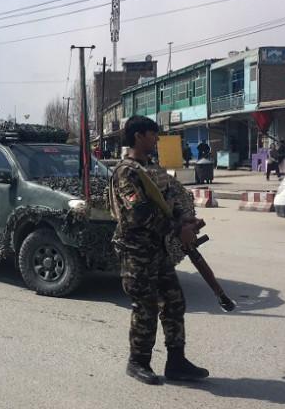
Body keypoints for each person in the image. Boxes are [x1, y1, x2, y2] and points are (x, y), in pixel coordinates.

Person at [109, 115, 209, 385]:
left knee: (175, 302)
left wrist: (185, 220)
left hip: (158, 250)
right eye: (153, 135)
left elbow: (168, 200)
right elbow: (140, 213)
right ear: (139, 136)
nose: (156, 140)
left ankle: (176, 362)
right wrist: (178, 230)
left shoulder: (151, 167)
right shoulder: (126, 172)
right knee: (146, 307)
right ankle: (138, 362)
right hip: (136, 251)